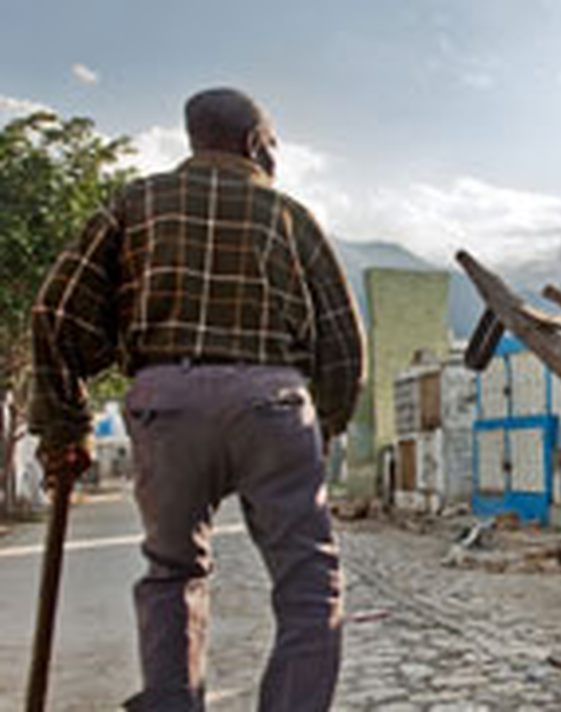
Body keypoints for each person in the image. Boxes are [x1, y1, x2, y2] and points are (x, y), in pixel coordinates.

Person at [30, 88, 364, 711]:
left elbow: (57, 313)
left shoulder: (134, 203)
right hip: (272, 404)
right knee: (310, 586)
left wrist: (64, 428)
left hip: (168, 403)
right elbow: (343, 341)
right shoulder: (291, 216)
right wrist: (325, 426)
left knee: (173, 571)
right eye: (272, 145)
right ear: (254, 144)